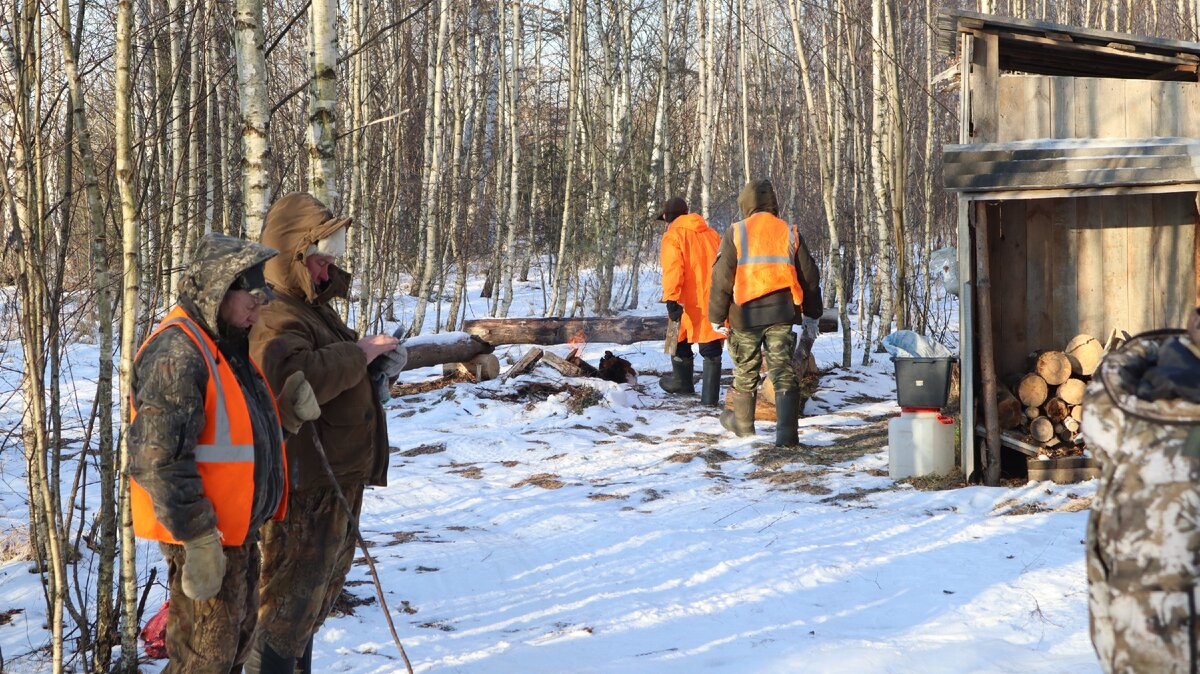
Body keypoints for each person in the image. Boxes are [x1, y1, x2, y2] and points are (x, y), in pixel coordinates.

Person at [128, 234, 320, 674]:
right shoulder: (178, 352)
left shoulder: (226, 346)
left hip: (236, 534)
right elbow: (156, 458)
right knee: (204, 662)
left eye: (263, 296)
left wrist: (284, 420)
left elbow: (234, 446)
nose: (259, 307)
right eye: (251, 297)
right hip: (206, 537)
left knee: (231, 654)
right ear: (218, 289)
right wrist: (197, 538)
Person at [246, 192, 403, 674]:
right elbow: (292, 379)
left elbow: (334, 372)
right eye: (318, 262)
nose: (325, 273)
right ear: (292, 256)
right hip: (303, 492)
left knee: (307, 611)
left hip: (330, 483)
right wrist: (360, 354)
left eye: (329, 262)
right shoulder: (274, 314)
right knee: (282, 615)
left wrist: (375, 366)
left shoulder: (309, 307)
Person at [708, 180, 823, 446]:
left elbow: (722, 279)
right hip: (782, 314)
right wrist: (812, 314)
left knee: (745, 370)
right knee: (782, 370)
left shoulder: (736, 232)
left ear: (745, 204)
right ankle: (786, 435)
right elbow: (810, 278)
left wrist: (716, 317)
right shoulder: (789, 231)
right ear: (773, 203)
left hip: (744, 315)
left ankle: (744, 427)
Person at [657, 196, 726, 405]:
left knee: (676, 337)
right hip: (714, 296)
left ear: (668, 218)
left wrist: (671, 298)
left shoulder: (672, 235)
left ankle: (682, 383)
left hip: (686, 299)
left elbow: (673, 270)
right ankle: (709, 398)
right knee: (711, 346)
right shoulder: (711, 233)